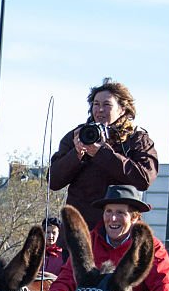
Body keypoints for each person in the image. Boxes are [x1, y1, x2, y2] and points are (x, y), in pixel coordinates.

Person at [48, 184, 169, 291]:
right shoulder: (89, 242)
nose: (113, 218)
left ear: (134, 217)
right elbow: (65, 280)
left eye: (121, 212)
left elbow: (165, 288)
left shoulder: (152, 247)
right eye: (108, 211)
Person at [49, 78, 159, 231]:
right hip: (80, 230)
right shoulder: (79, 135)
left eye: (106, 105)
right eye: (96, 104)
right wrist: (76, 154)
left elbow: (144, 179)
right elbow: (53, 181)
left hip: (119, 231)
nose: (100, 110)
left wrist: (103, 154)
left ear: (122, 109)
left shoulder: (137, 139)